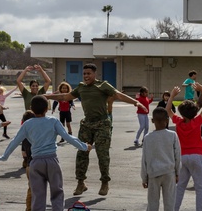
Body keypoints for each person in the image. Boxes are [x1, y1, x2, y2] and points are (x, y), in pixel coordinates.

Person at [45, 62, 148, 196]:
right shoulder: (81, 87)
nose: (86, 76)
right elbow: (65, 97)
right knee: (82, 153)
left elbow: (118, 95)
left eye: (89, 74)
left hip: (102, 124)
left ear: (95, 74)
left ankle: (105, 182)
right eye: (84, 74)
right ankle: (81, 183)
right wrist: (47, 96)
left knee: (102, 154)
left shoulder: (102, 85)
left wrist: (136, 102)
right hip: (87, 124)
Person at [0, 95, 86, 211]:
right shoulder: (53, 121)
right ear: (47, 108)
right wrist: (83, 146)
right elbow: (68, 137)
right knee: (57, 191)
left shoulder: (27, 124)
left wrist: (4, 156)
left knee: (38, 194)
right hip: (51, 160)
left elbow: (15, 141)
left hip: (35, 162)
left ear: (31, 108)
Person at [139, 107, 182, 211]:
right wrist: (177, 172)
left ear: (152, 121)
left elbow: (144, 159)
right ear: (167, 120)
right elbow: (177, 156)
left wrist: (144, 177)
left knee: (153, 202)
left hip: (153, 174)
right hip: (169, 173)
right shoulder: (172, 135)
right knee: (169, 201)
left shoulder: (147, 138)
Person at [170, 85, 202, 211]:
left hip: (182, 157)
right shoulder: (197, 122)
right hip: (196, 156)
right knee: (200, 186)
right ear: (194, 113)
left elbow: (168, 110)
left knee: (180, 186)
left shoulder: (179, 123)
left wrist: (172, 96)